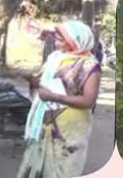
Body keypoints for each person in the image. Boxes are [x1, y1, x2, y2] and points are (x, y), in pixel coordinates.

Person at [17, 21, 101, 178]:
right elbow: (44, 85)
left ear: (75, 41)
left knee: (63, 170)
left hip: (69, 130)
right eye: (57, 38)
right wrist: (30, 79)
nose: (56, 42)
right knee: (36, 168)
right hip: (46, 124)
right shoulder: (55, 58)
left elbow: (88, 101)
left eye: (61, 39)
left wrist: (54, 97)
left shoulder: (90, 65)